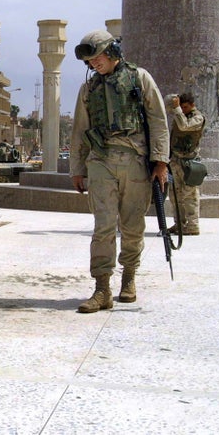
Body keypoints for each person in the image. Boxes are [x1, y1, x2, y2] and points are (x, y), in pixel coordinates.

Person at [70, 30, 170, 313]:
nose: (94, 64)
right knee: (102, 226)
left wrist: (160, 162)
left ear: (112, 52)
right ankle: (102, 289)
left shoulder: (140, 78)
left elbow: (159, 121)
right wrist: (77, 169)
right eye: (89, 61)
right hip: (100, 161)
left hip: (135, 161)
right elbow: (79, 130)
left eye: (97, 57)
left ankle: (129, 278)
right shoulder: (88, 89)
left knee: (132, 226)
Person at [166, 92, 206, 235]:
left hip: (189, 162)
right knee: (175, 194)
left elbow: (184, 126)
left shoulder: (198, 118)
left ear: (192, 105)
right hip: (175, 161)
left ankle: (193, 225)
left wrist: (177, 109)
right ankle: (179, 224)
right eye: (181, 107)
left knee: (190, 194)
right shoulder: (180, 115)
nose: (182, 110)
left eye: (185, 107)